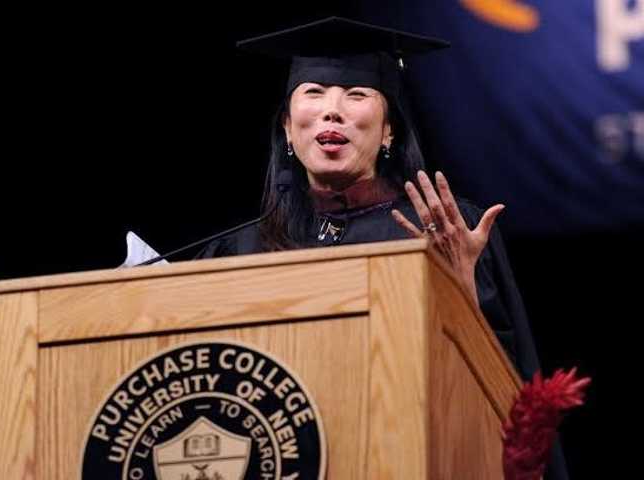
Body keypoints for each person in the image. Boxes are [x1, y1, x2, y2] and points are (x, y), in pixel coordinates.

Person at [196, 17, 568, 479]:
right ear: (288, 130)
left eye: (356, 94)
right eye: (313, 92)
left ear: (389, 131)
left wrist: (462, 299)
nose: (333, 110)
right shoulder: (235, 253)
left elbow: (506, 403)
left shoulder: (442, 233)